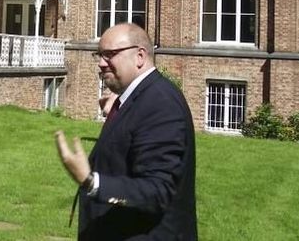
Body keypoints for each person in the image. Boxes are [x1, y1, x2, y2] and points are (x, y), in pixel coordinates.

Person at [54, 22, 197, 240]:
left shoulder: (159, 103)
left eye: (110, 54)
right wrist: (119, 109)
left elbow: (157, 191)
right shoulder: (137, 98)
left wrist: (91, 181)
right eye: (99, 55)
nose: (102, 63)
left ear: (140, 56)